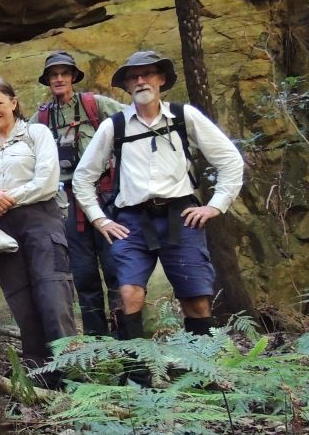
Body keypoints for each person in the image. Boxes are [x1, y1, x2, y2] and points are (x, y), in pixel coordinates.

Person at [72, 50, 244, 343]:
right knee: (129, 294)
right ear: (126, 86)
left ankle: (203, 374)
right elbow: (82, 178)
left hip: (182, 217)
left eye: (147, 74)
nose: (141, 81)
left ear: (161, 79)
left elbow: (230, 159)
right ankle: (139, 376)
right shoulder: (114, 126)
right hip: (131, 221)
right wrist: (100, 220)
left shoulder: (182, 116)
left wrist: (215, 206)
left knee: (196, 300)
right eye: (133, 77)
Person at [0, 78, 77, 386]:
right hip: (3, 233)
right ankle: (39, 381)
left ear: (14, 102)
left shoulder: (36, 134)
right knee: (22, 305)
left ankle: (72, 379)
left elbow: (47, 182)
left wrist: (5, 199)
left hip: (42, 222)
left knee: (53, 298)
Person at [36, 51, 125, 337]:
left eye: (64, 73)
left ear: (73, 76)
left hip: (105, 198)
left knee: (115, 270)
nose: (59, 78)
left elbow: (132, 118)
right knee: (84, 276)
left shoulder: (94, 105)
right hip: (68, 204)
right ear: (48, 80)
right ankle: (99, 344)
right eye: (53, 74)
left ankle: (128, 340)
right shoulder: (41, 118)